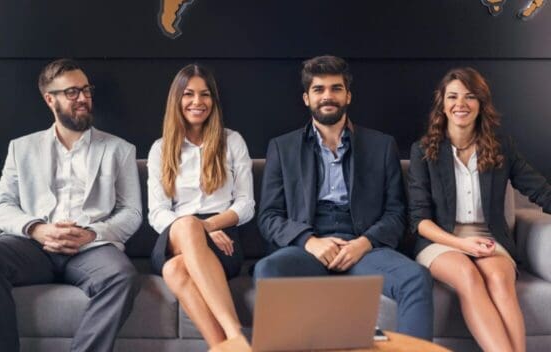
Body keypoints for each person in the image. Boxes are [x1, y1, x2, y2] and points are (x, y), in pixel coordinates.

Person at [0, 58, 143, 352]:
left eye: (86, 90)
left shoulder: (119, 150)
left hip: (90, 248)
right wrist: (37, 229)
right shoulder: (21, 148)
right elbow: (2, 205)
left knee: (122, 277)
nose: (83, 98)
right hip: (34, 247)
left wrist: (91, 234)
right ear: (50, 99)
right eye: (72, 92)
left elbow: (131, 212)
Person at [253, 55, 433, 340]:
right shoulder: (282, 147)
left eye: (336, 88)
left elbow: (397, 214)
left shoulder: (381, 145)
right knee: (268, 268)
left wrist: (364, 243)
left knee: (416, 277)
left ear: (348, 95)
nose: (328, 96)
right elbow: (269, 216)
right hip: (308, 245)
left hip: (364, 244)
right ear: (306, 98)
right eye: (319, 89)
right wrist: (309, 242)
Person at [408, 67, 551, 352]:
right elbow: (419, 220)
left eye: (470, 96)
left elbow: (539, 190)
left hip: (489, 237)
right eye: (453, 97)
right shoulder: (424, 150)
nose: (460, 104)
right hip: (442, 239)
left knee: (499, 279)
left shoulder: (501, 148)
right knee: (467, 275)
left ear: (481, 103)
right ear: (443, 104)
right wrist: (462, 244)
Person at [147, 64, 254, 347]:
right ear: (177, 100)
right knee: (186, 224)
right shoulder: (160, 148)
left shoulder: (232, 141)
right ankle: (235, 333)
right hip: (172, 237)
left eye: (205, 95)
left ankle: (221, 346)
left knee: (174, 271)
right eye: (189, 94)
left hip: (223, 238)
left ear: (213, 100)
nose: (197, 102)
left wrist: (206, 226)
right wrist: (192, 228)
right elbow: (157, 213)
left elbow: (246, 204)